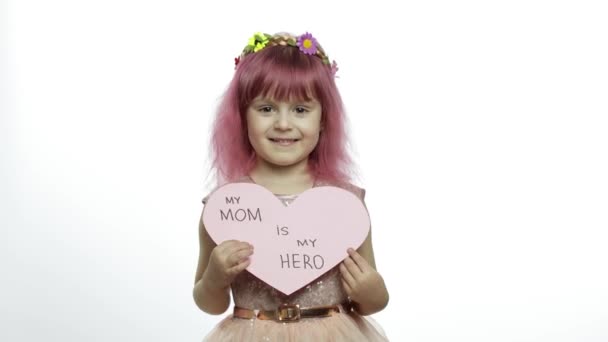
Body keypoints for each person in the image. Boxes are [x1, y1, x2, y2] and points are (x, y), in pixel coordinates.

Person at [193, 31, 390, 341]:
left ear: (323, 119)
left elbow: (372, 301)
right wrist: (214, 279)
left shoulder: (344, 203)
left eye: (300, 110)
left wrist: (373, 292)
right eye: (266, 108)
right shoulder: (225, 207)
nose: (283, 123)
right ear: (242, 116)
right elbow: (210, 303)